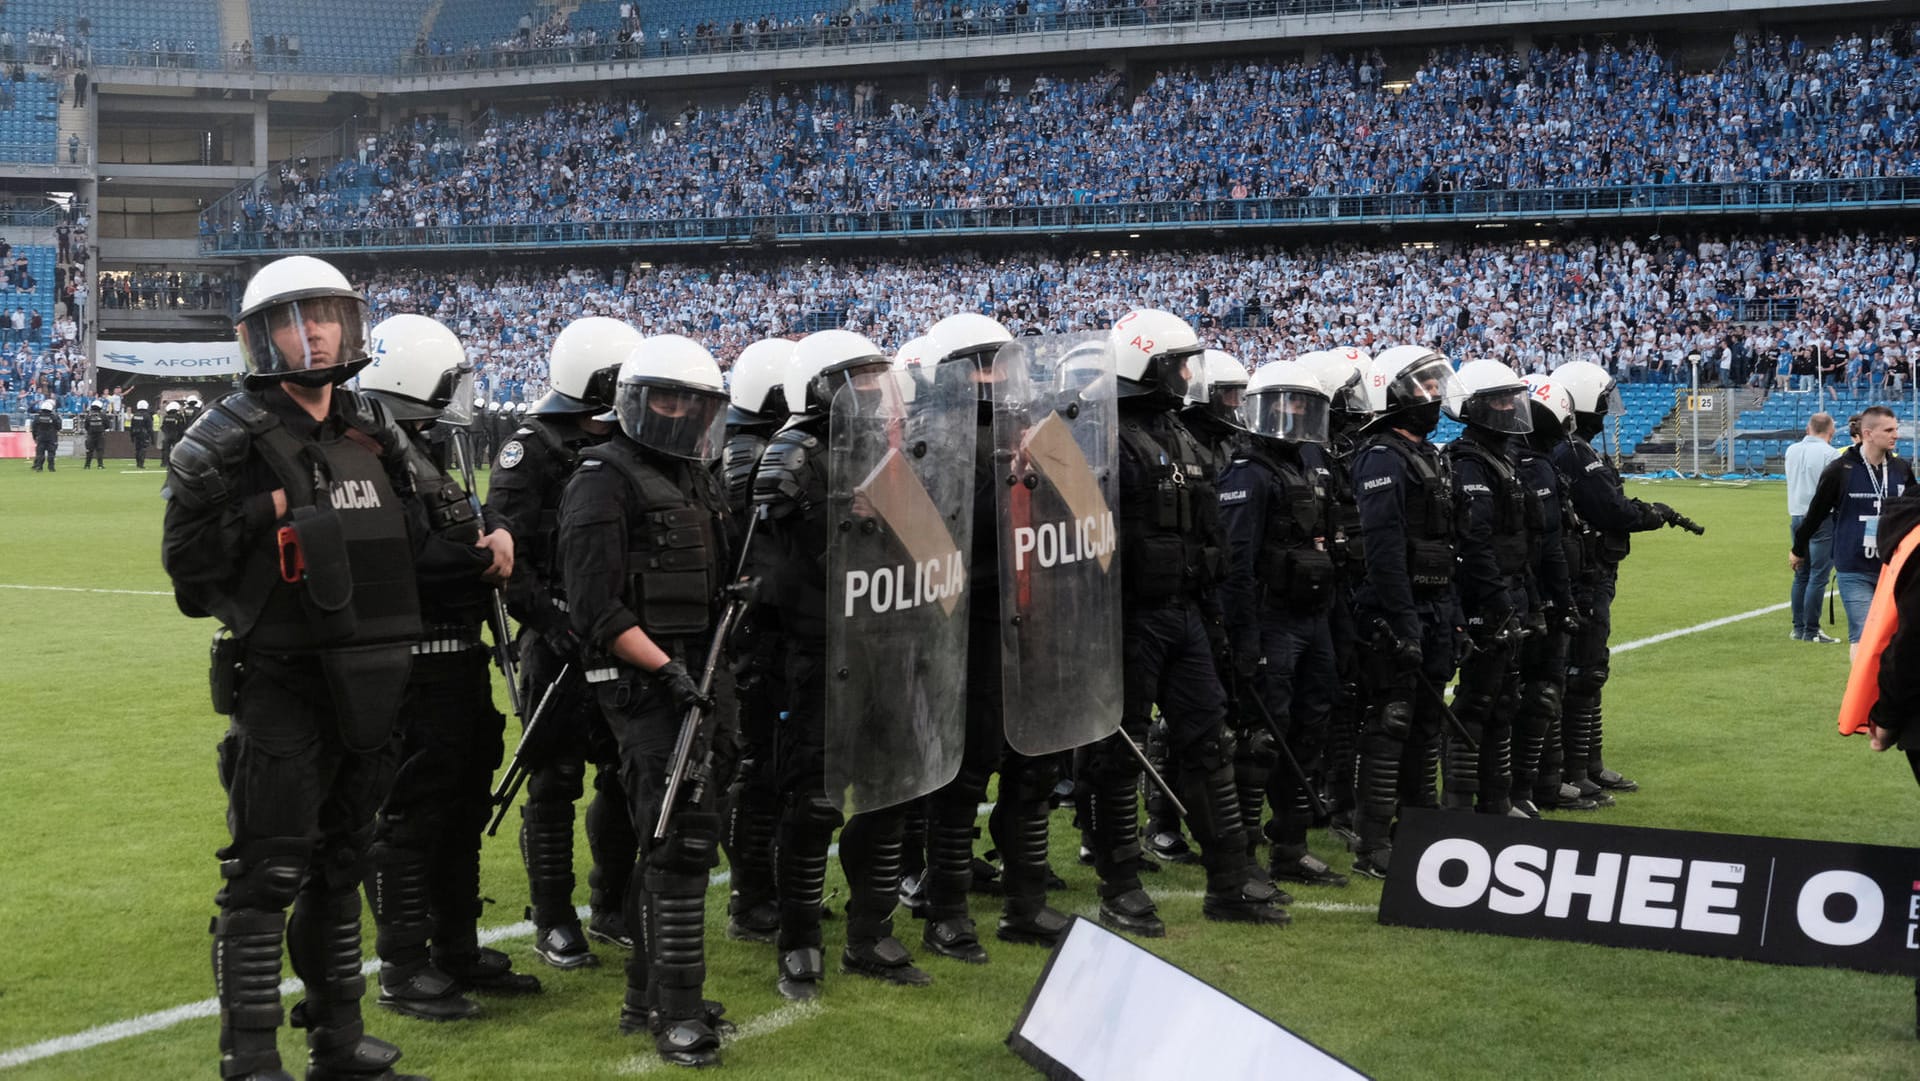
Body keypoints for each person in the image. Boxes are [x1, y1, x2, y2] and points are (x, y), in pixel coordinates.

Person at [162, 255, 430, 1081]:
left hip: (374, 679)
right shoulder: (223, 437)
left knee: (344, 861)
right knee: (266, 872)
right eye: (290, 318)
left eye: (322, 315)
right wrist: (270, 509)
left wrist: (491, 543)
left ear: (348, 324)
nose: (310, 331)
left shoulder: (373, 427)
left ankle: (338, 1041)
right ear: (261, 336)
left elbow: (427, 526)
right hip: (281, 682)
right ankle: (249, 1057)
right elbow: (187, 569)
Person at [1079, 308, 1288, 933]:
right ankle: (1120, 882)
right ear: (1144, 365)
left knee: (1209, 742)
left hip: (1187, 612)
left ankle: (1229, 878)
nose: (1186, 375)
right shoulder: (1099, 436)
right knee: (1120, 752)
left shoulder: (1182, 436)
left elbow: (1211, 534)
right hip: (1127, 617)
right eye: (1177, 363)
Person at [356, 314, 540, 1023]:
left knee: (463, 809)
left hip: (457, 663)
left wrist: (487, 540)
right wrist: (482, 557)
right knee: (409, 817)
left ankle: (455, 948)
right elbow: (405, 557)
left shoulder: (421, 449)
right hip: (414, 668)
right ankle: (404, 966)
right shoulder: (373, 456)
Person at [559, 334, 734, 1065]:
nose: (682, 412)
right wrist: (666, 670)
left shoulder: (695, 477)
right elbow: (594, 607)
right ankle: (678, 1009)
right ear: (636, 400)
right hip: (646, 683)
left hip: (697, 673)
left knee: (682, 836)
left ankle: (646, 992)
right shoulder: (602, 478)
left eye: (694, 402)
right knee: (679, 841)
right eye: (668, 397)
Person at [751, 329, 941, 999]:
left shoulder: (891, 459)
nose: (878, 394)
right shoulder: (792, 458)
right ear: (826, 387)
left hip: (890, 648)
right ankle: (799, 942)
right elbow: (770, 575)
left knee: (891, 792)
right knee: (812, 802)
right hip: (821, 656)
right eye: (861, 381)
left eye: (877, 379)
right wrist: (840, 526)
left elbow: (934, 560)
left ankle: (871, 931)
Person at [907, 312, 1073, 963]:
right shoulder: (928, 444)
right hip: (966, 628)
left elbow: (1082, 528)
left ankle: (1025, 903)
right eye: (979, 365)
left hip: (1031, 623)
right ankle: (946, 912)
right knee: (964, 774)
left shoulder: (1036, 438)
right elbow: (931, 549)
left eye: (999, 364)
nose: (992, 378)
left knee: (1034, 766)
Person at [483, 316, 643, 969]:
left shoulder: (633, 442)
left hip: (620, 634)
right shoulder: (534, 447)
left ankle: (610, 904)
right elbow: (507, 559)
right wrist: (556, 622)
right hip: (557, 641)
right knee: (553, 780)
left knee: (626, 770)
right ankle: (552, 917)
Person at [1217, 359, 1350, 887]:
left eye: (1303, 404)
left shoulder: (1309, 468)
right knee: (1260, 739)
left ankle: (1290, 847)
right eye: (1286, 403)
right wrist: (1244, 639)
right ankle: (1246, 853)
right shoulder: (1247, 472)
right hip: (1271, 619)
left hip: (1312, 617)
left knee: (1309, 731)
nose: (1294, 413)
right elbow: (1236, 564)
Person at [1550, 360, 1696, 798]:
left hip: (1594, 571)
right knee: (1580, 673)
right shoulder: (1572, 451)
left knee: (1589, 671)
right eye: (1602, 403)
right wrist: (1652, 513)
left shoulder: (1576, 449)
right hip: (1585, 575)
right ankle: (1573, 769)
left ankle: (1587, 764)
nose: (1607, 413)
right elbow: (1610, 508)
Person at [1347, 345, 1464, 878]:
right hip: (1400, 610)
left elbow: (1448, 543)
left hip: (1436, 607)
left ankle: (1419, 828)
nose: (1433, 396)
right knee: (1391, 722)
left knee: (1424, 728)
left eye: (1435, 385)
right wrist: (1402, 622)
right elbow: (1384, 548)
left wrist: (1453, 614)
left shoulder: (1429, 455)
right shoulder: (1380, 456)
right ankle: (1372, 841)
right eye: (1422, 387)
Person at [715, 337, 793, 945]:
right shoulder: (752, 460)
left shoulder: (741, 448)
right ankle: (752, 893)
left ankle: (761, 886)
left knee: (769, 765)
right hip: (762, 634)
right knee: (761, 767)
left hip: (764, 630)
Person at [1440, 359, 1535, 816]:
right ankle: (1459, 802)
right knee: (1477, 701)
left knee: (1504, 699)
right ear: (1474, 407)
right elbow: (1475, 542)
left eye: (1511, 398)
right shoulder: (1469, 463)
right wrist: (1497, 599)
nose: (1510, 408)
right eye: (1499, 400)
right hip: (1483, 595)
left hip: (1509, 588)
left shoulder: (1503, 459)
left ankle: (1497, 799)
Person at [1794, 405, 1915, 658]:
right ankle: (1862, 697)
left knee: (1896, 638)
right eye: (1889, 430)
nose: (1896, 435)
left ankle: (1887, 694)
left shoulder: (1901, 469)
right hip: (1854, 566)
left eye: (1896, 429)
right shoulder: (1840, 470)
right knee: (1863, 635)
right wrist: (1798, 549)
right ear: (1868, 433)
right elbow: (1816, 513)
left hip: (1892, 567)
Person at [1787, 413, 1842, 643]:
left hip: (1797, 515)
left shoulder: (1792, 450)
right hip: (1821, 519)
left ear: (1808, 428)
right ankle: (1811, 630)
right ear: (1831, 431)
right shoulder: (1830, 454)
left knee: (1801, 574)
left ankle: (1799, 628)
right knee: (1818, 576)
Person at [29, 398, 56, 470]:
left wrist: (34, 437)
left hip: (41, 437)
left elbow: (33, 428)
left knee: (40, 452)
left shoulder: (38, 417)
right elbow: (59, 426)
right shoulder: (53, 417)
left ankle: (39, 466)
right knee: (51, 452)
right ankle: (51, 467)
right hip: (51, 437)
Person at [81, 398, 108, 468]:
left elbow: (86, 426)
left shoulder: (88, 416)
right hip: (100, 435)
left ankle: (87, 465)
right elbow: (107, 425)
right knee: (100, 450)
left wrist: (90, 431)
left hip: (91, 435)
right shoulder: (103, 415)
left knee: (89, 450)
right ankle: (100, 465)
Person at [130, 398, 154, 468]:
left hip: (136, 434)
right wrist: (152, 438)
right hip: (144, 434)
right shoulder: (147, 415)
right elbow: (150, 428)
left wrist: (131, 437)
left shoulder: (135, 415)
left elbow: (132, 426)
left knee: (137, 449)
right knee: (143, 449)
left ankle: (138, 463)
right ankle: (141, 464)